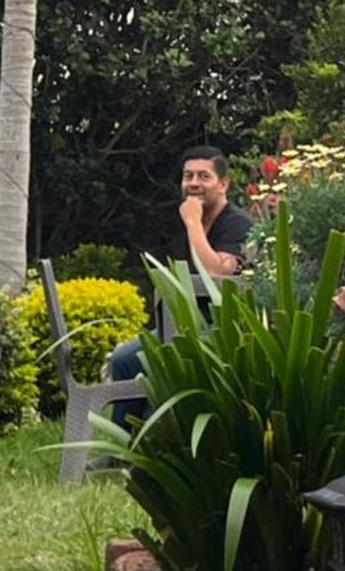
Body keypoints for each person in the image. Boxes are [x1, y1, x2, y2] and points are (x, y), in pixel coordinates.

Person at [103, 147, 254, 427]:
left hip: (223, 331)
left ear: (223, 184)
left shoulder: (237, 224)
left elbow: (215, 274)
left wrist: (193, 222)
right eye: (188, 176)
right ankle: (128, 444)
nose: (194, 183)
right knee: (125, 358)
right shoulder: (192, 220)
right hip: (187, 325)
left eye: (204, 176)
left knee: (130, 358)